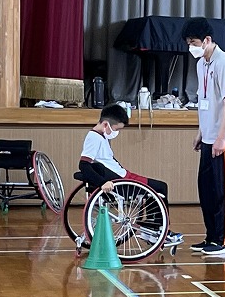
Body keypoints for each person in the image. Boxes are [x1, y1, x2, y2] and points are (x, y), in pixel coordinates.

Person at [184, 17, 225, 259]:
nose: (191, 47)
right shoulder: (202, 64)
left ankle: (224, 241)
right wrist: (202, 133)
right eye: (189, 43)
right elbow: (205, 102)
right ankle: (211, 236)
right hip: (210, 135)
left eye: (194, 42)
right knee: (207, 187)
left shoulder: (224, 63)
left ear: (207, 40)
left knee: (224, 189)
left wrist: (221, 138)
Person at [78, 103, 183, 247]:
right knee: (160, 188)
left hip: (123, 175)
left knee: (159, 188)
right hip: (120, 181)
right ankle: (159, 231)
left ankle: (153, 229)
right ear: (105, 124)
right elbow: (84, 165)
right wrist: (102, 183)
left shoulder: (101, 136)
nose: (116, 132)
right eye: (116, 129)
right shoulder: (94, 138)